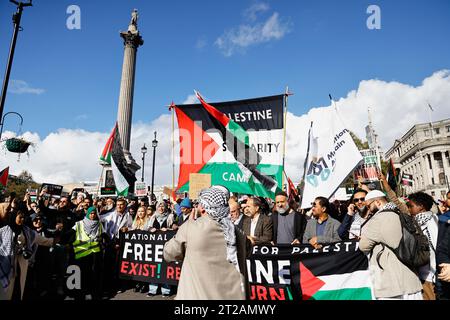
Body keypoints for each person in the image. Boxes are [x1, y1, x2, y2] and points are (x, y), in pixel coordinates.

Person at [164, 186, 249, 300]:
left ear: (203, 207)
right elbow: (248, 251)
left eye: (199, 204)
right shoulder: (239, 233)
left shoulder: (190, 228)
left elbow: (169, 254)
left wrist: (185, 228)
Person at [359, 190, 423, 300]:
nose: (368, 209)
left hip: (391, 283)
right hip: (412, 279)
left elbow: (363, 246)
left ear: (378, 202)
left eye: (369, 205)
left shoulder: (377, 219)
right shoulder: (403, 214)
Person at [0, 210, 55, 300]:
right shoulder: (3, 231)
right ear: (14, 217)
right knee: (5, 292)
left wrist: (54, 240)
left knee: (18, 290)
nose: (22, 220)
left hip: (21, 265)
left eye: (23, 217)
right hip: (6, 265)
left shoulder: (27, 231)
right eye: (20, 217)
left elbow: (42, 240)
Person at [406, 192, 439, 300]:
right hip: (422, 275)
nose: (409, 209)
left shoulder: (431, 222)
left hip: (431, 277)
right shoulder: (417, 222)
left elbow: (435, 247)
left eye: (411, 206)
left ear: (421, 207)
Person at [100, 197, 133, 297]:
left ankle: (118, 285)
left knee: (119, 265)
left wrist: (128, 228)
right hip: (110, 242)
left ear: (125, 206)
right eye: (118, 204)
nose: (119, 206)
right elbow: (99, 218)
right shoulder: (110, 214)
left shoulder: (128, 216)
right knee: (108, 265)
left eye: (121, 205)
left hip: (121, 242)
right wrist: (98, 210)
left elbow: (132, 226)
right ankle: (107, 286)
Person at [146, 201, 178, 297]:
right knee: (154, 267)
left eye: (163, 207)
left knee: (166, 267)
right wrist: (150, 229)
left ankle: (166, 290)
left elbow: (175, 228)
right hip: (154, 247)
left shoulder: (170, 216)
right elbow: (147, 228)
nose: (161, 208)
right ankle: (152, 289)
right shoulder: (153, 216)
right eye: (159, 207)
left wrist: (168, 230)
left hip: (166, 246)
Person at [72, 206, 103, 300]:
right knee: (82, 272)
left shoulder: (99, 224)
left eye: (94, 213)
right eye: (91, 213)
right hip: (82, 252)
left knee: (92, 273)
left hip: (94, 253)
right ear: (88, 214)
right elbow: (71, 233)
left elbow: (103, 235)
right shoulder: (79, 223)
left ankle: (89, 292)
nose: (93, 215)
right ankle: (80, 292)